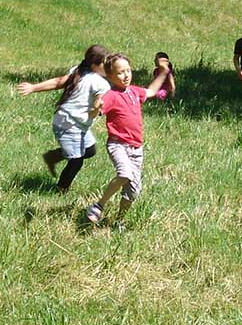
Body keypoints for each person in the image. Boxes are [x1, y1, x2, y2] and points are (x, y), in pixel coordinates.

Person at [85, 52, 171, 225]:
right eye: (120, 72)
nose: (125, 75)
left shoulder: (135, 92)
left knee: (132, 191)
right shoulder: (110, 96)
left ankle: (119, 220)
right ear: (109, 76)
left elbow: (152, 90)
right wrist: (95, 108)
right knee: (124, 174)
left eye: (128, 71)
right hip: (118, 145)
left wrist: (163, 71)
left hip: (136, 148)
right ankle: (99, 205)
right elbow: (94, 113)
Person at [17, 45, 110, 192]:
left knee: (90, 150)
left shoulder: (79, 71)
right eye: (106, 64)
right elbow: (59, 82)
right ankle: (61, 188)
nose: (109, 66)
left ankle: (53, 156)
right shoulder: (98, 82)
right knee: (76, 161)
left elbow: (58, 81)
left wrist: (33, 87)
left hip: (75, 124)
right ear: (94, 65)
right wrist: (33, 88)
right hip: (68, 124)